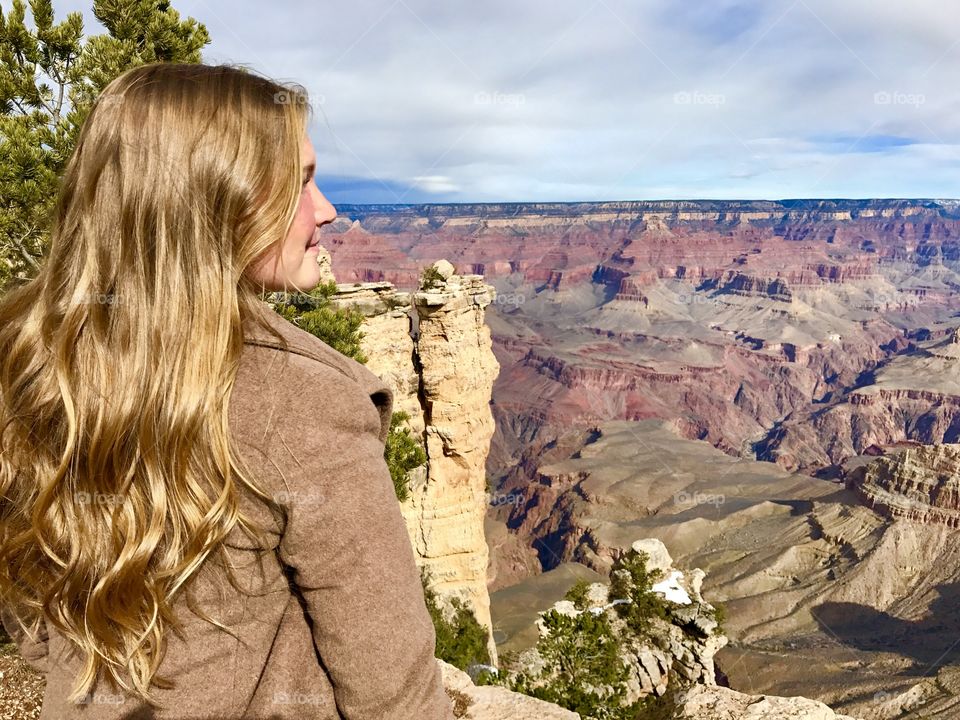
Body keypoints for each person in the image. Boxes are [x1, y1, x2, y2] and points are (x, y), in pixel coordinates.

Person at [0, 61, 455, 719]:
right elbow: (395, 691)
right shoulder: (303, 402)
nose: (326, 211)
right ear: (221, 199)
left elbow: (29, 613)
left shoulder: (28, 364)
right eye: (300, 183)